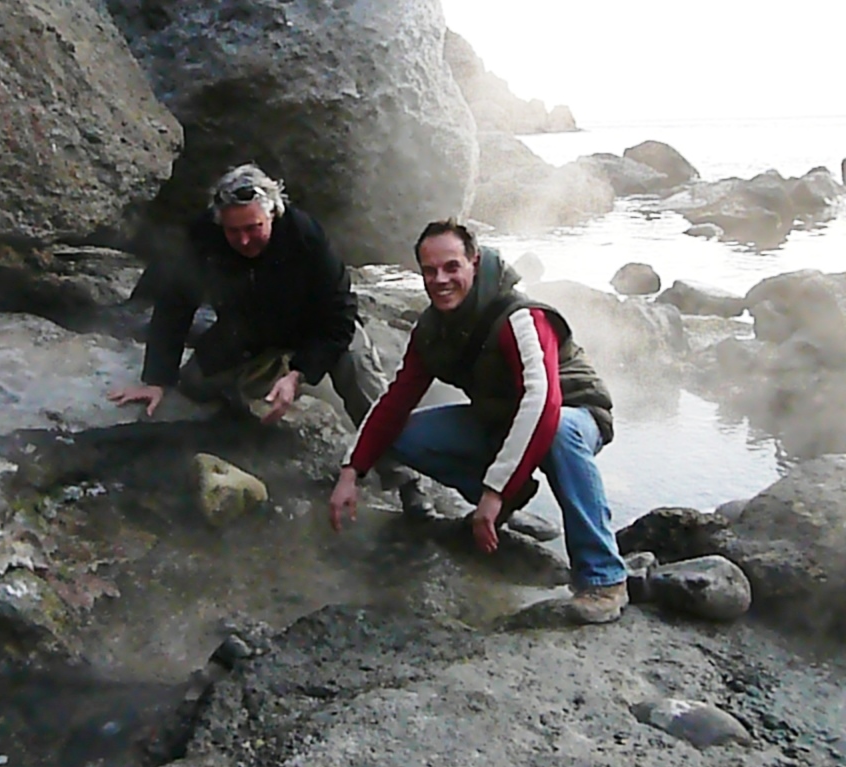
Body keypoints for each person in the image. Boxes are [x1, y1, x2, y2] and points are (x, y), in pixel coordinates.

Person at [328, 219, 629, 624]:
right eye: (430, 271)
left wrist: (494, 490)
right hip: (502, 418)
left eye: (451, 267)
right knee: (400, 434)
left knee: (558, 431)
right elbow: (395, 401)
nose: (441, 280)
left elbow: (542, 404)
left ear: (474, 261)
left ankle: (603, 577)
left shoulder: (521, 317)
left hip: (574, 412)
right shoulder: (433, 328)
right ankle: (513, 498)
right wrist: (352, 470)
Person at [107, 163, 433, 518]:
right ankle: (254, 397)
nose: (244, 240)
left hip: (315, 329)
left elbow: (340, 314)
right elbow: (174, 304)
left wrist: (299, 373)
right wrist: (157, 378)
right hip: (249, 332)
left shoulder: (305, 236)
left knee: (355, 365)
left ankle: (406, 479)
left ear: (273, 214)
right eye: (234, 231)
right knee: (196, 384)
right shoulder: (204, 236)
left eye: (253, 228)